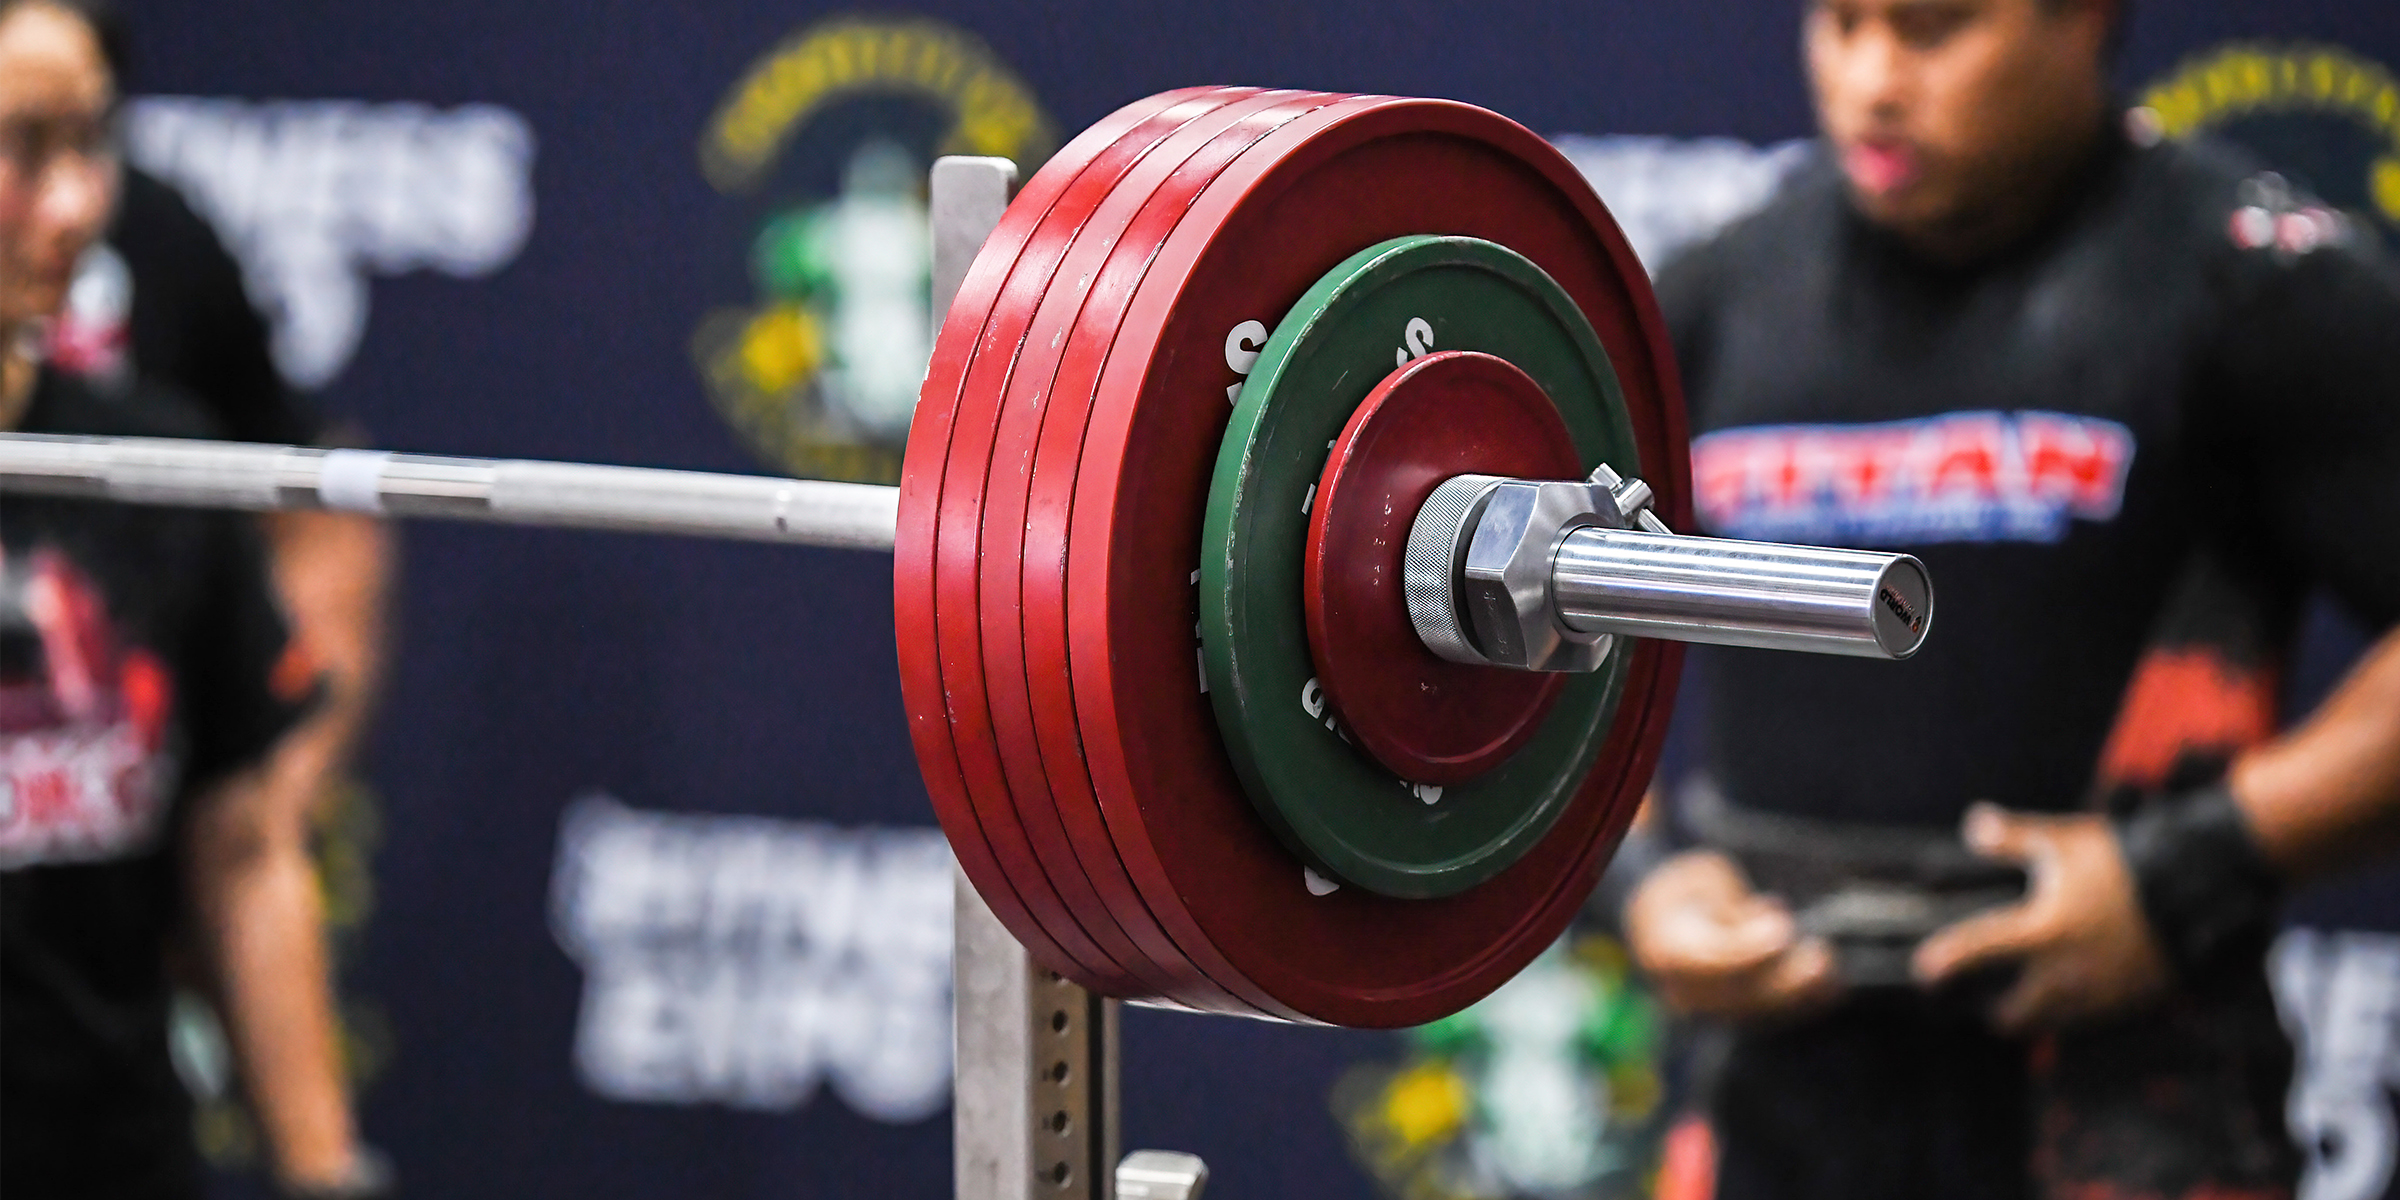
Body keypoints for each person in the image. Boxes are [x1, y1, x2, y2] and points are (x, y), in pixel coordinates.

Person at [1623, 0, 2400, 1197]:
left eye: (1931, 31)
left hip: (2124, 1113)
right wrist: (1644, 884)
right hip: (1766, 1118)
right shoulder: (1716, 293)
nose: (1871, 80)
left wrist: (2189, 869)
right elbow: (1530, 647)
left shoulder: (2256, 284)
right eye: (1839, 24)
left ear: (2083, 21)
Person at [0, 2, 385, 1196]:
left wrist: (322, 1173)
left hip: (114, 1156)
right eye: (22, 149)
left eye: (91, 144)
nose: (73, 206)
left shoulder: (161, 467)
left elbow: (246, 848)